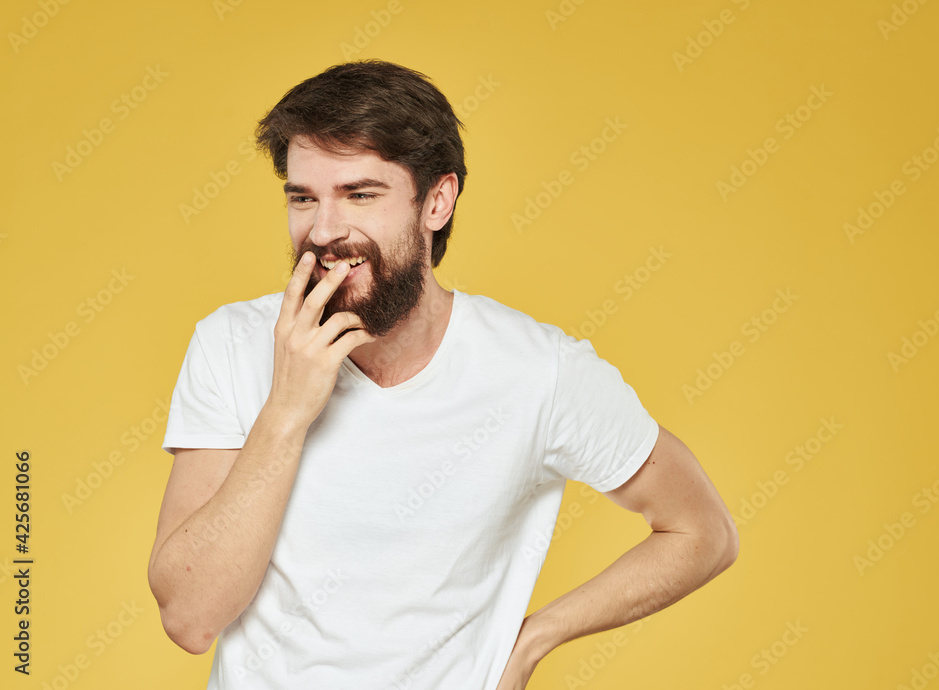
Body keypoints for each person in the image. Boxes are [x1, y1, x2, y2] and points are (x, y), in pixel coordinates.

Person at [147, 59, 739, 690]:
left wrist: (534, 638)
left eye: (360, 194)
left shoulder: (538, 371)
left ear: (437, 201)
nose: (323, 231)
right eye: (303, 198)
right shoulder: (230, 345)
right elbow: (190, 618)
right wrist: (286, 413)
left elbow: (702, 532)